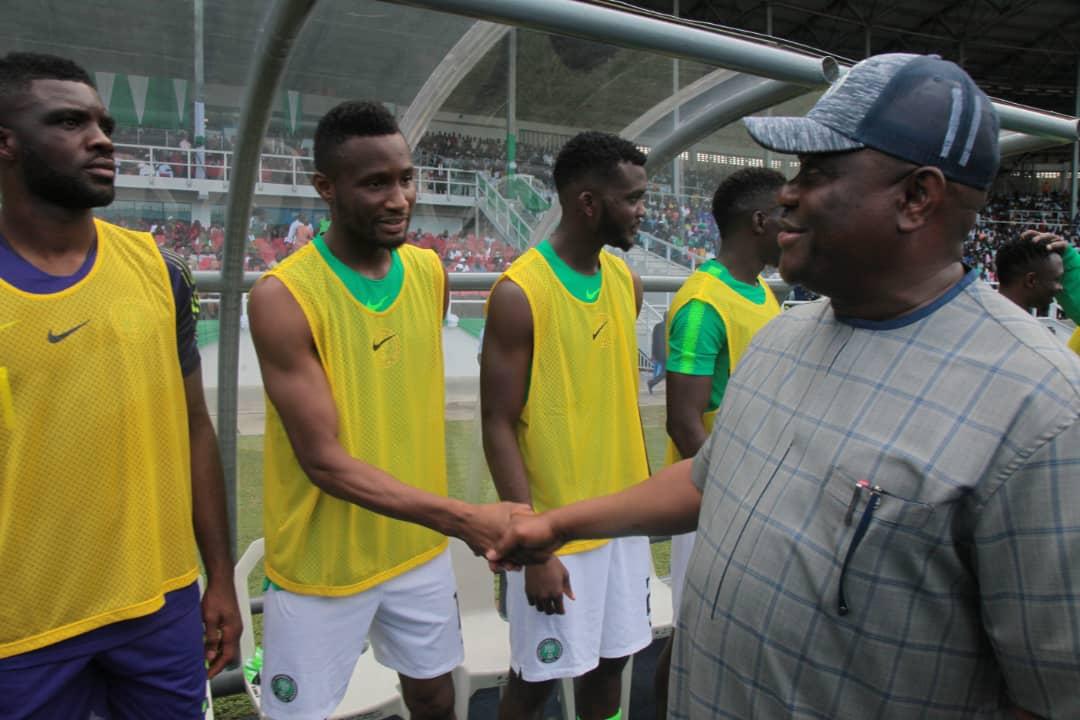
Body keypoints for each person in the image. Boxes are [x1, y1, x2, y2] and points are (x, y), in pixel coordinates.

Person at [491, 54, 1080, 719]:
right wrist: (557, 526)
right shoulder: (784, 336)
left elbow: (1050, 693)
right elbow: (706, 479)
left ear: (917, 197)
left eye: (819, 172)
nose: (789, 195)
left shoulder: (1044, 413)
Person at [248, 100, 522, 720]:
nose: (399, 198)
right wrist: (462, 517)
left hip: (416, 551)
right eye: (375, 183)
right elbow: (325, 464)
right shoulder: (282, 296)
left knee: (432, 696)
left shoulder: (428, 271)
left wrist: (443, 526)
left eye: (405, 178)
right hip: (322, 568)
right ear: (325, 188)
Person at [0, 52, 241, 716]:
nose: (101, 137)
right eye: (70, 121)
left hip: (159, 606)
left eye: (103, 122)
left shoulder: (158, 270)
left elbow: (196, 430)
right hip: (22, 629)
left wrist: (217, 578)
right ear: (7, 144)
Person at [481, 131, 652, 720]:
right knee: (536, 680)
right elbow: (498, 425)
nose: (641, 211)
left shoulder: (624, 281)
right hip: (555, 535)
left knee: (611, 666)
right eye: (631, 199)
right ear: (587, 203)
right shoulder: (519, 293)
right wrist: (533, 548)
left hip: (622, 526)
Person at [653, 167, 785, 718]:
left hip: (752, 495)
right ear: (759, 222)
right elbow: (684, 422)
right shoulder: (705, 301)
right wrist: (731, 498)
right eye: (787, 212)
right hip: (712, 501)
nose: (796, 220)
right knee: (692, 637)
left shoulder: (761, 293)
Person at [994, 233, 1064, 313]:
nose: (1060, 287)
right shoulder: (1024, 325)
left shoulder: (982, 312)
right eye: (1056, 280)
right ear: (1031, 280)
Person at [647, 312, 666, 393]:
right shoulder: (666, 327)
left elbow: (654, 341)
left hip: (660, 353)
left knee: (665, 372)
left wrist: (653, 354)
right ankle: (652, 383)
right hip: (665, 354)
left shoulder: (657, 326)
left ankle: (652, 383)